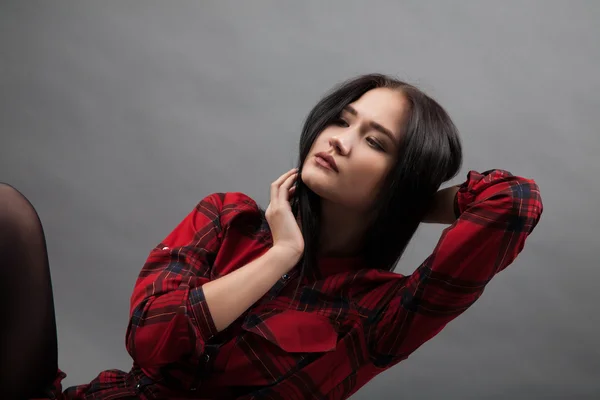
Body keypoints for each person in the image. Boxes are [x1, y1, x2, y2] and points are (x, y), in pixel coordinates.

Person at [0, 74, 543, 400]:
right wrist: (281, 255)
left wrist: (401, 200)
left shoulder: (380, 312)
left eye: (374, 142)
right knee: (7, 214)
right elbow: (149, 341)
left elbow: (513, 203)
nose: (340, 141)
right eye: (343, 120)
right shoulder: (227, 218)